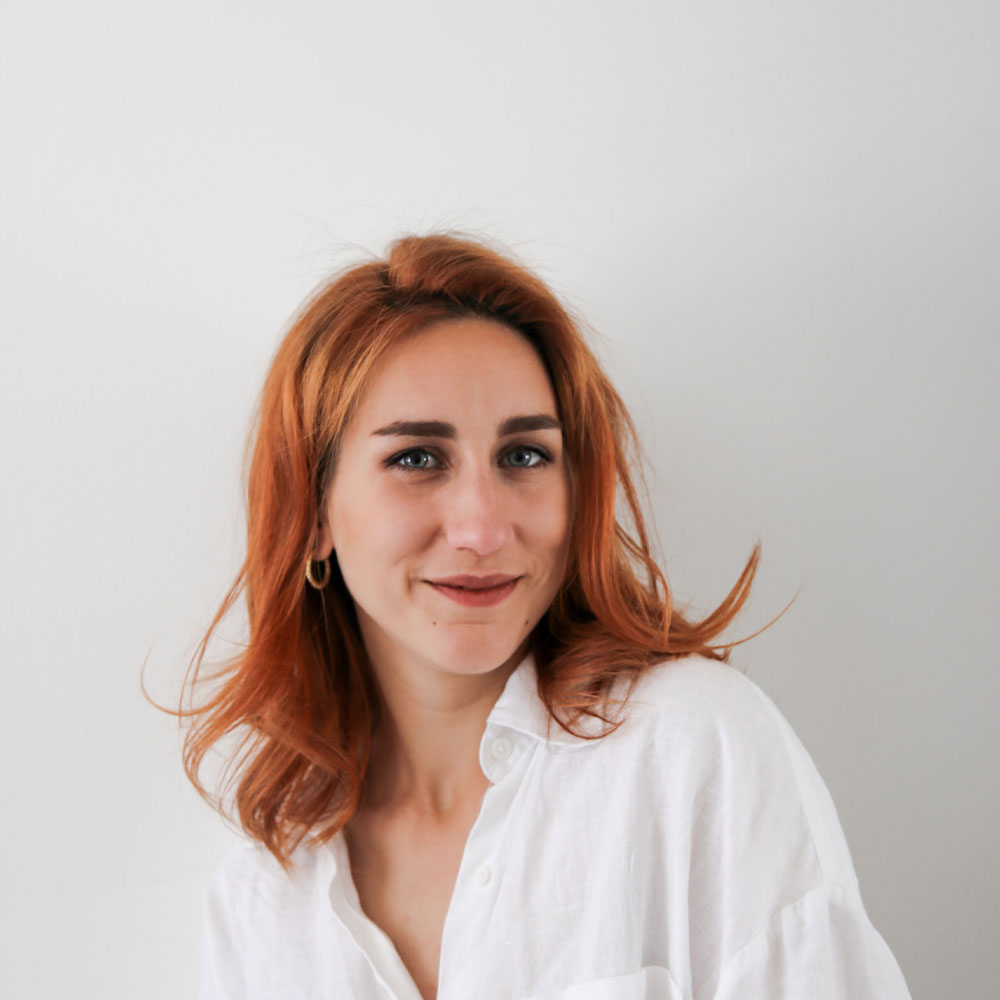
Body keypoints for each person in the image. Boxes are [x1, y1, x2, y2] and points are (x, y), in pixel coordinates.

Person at [183, 233, 912, 999]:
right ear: (316, 511)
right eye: (417, 459)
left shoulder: (693, 751)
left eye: (525, 455)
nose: (482, 528)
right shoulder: (262, 899)